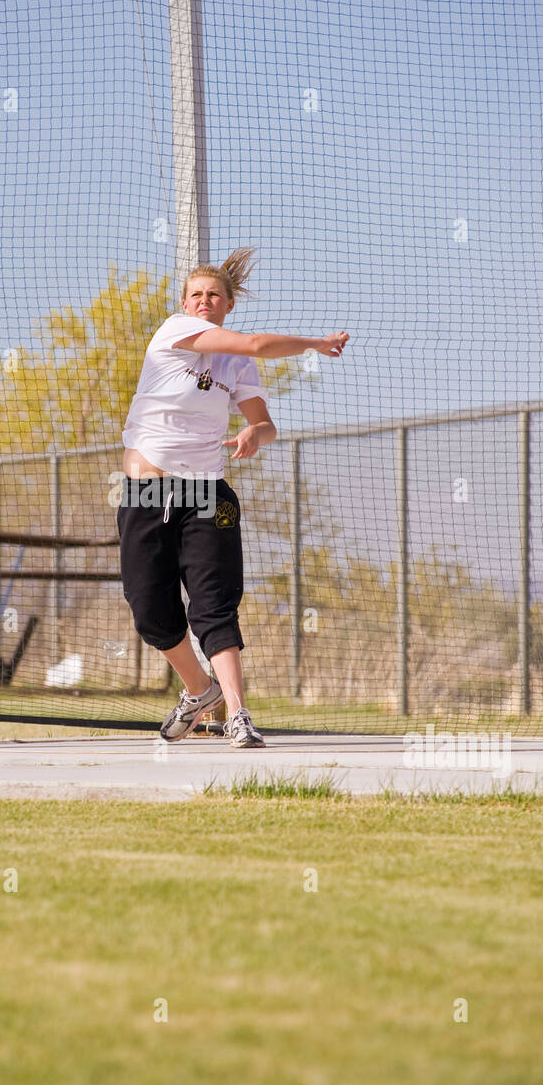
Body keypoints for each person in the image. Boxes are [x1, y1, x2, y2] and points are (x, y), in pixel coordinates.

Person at [118, 247, 349, 748]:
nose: (204, 300)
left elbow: (265, 424)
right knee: (149, 609)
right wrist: (316, 344)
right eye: (196, 294)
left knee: (214, 607)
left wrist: (253, 435)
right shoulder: (174, 332)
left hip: (207, 492)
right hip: (149, 491)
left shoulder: (235, 363)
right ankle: (199, 689)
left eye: (214, 295)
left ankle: (239, 714)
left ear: (227, 305)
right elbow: (259, 343)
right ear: (185, 303)